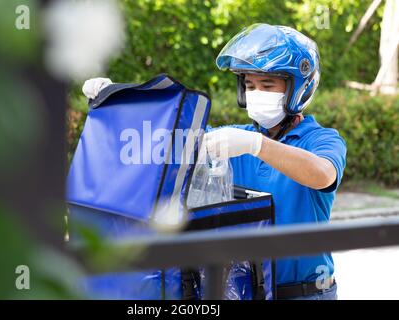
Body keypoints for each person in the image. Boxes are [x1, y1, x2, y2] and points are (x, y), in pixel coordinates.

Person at [81, 23, 346, 300]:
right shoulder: (234, 137)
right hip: (250, 291)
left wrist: (256, 146)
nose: (256, 93)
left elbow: (322, 174)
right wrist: (119, 101)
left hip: (304, 294)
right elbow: (168, 133)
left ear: (298, 89)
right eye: (250, 85)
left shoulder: (322, 139)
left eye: (267, 85)